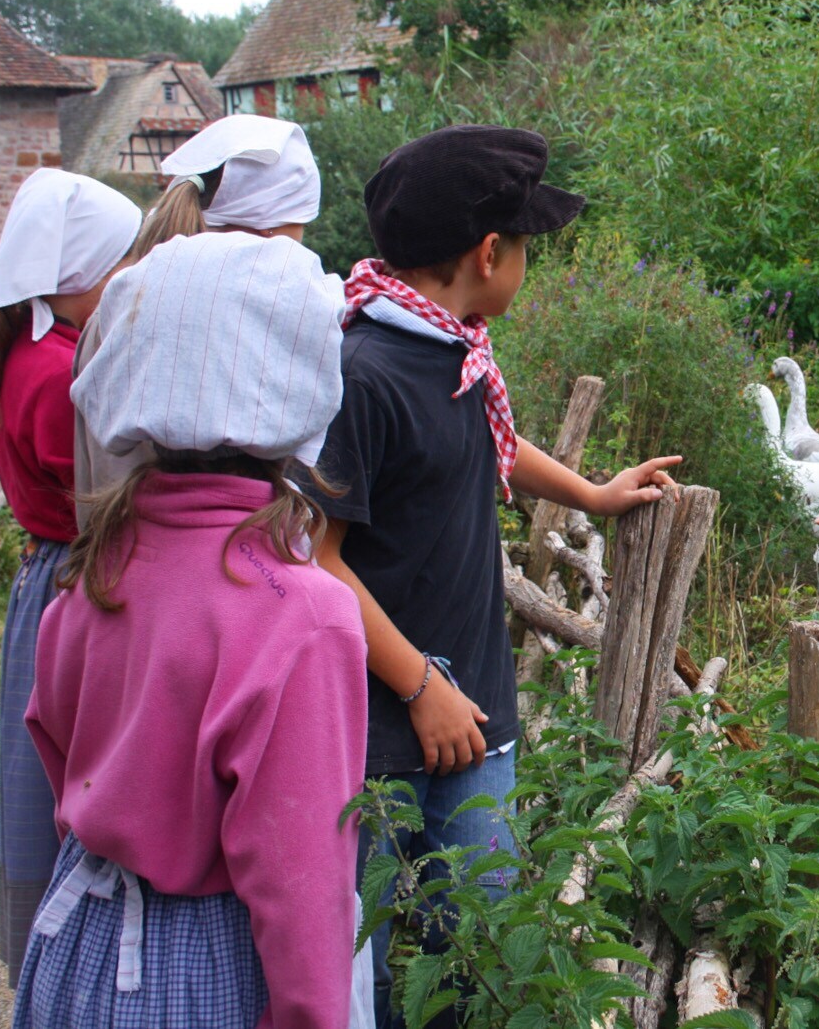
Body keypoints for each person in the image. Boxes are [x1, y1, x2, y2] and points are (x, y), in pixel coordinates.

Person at [310, 125, 680, 1027]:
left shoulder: (455, 351)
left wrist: (593, 495)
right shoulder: (365, 370)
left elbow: (494, 451)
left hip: (482, 712)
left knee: (477, 938)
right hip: (377, 731)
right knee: (375, 953)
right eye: (525, 249)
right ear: (488, 253)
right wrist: (419, 685)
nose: (526, 265)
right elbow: (314, 560)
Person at [19, 231, 366, 1028]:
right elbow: (300, 878)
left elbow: (59, 750)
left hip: (77, 947)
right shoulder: (302, 616)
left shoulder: (95, 572)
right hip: (201, 968)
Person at [0, 168, 139, 986]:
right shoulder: (53, 373)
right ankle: (71, 965)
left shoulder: (47, 350)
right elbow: (110, 486)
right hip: (75, 580)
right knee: (71, 779)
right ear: (76, 281)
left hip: (59, 573)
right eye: (116, 268)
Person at [73, 114, 322, 528]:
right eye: (299, 229)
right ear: (270, 233)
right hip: (228, 569)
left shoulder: (119, 301)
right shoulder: (251, 324)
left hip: (115, 561)